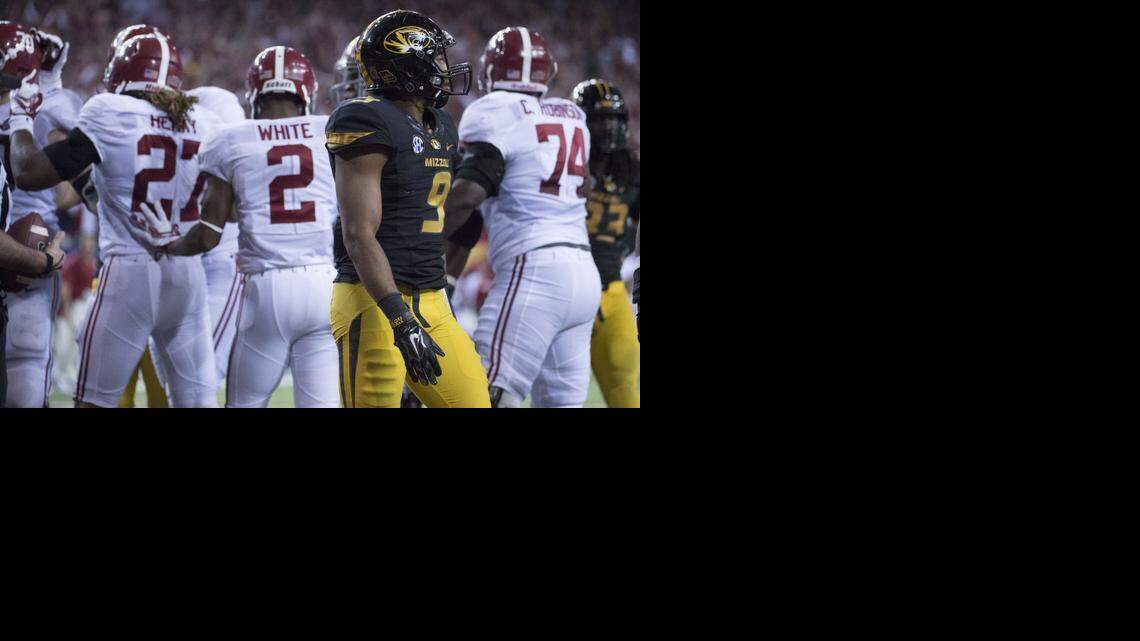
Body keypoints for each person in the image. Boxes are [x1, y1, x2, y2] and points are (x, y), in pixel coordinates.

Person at [7, 32, 219, 407]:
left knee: (92, 402)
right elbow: (94, 189)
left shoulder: (109, 110)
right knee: (198, 402)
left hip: (128, 273)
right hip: (188, 275)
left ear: (120, 70)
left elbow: (27, 172)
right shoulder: (204, 120)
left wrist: (22, 119)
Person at [152, 46, 339, 407]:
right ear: (306, 92)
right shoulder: (330, 132)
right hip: (324, 285)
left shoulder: (231, 139)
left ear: (255, 93)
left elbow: (209, 235)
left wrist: (169, 244)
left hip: (267, 288)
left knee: (243, 403)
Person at [326, 10, 489, 407]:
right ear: (406, 64)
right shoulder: (364, 118)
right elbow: (358, 234)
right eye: (434, 58)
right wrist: (400, 319)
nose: (443, 67)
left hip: (432, 298)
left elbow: (445, 218)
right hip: (375, 300)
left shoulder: (441, 124)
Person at [442, 27, 601, 408]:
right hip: (583, 272)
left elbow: (468, 194)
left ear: (491, 71)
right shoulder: (573, 114)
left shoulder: (495, 110)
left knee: (485, 395)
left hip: (535, 270)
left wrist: (423, 235)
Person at [1, 21, 82, 407]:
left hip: (17, 241)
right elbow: (71, 185)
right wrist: (52, 84)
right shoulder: (50, 107)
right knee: (27, 359)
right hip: (28, 246)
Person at [571, 79, 640, 407]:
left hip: (611, 289)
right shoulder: (563, 161)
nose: (609, 127)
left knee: (623, 388)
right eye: (600, 119)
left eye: (614, 118)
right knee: (555, 390)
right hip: (563, 288)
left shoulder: (632, 168)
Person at [0, 161, 66, 402]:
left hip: (24, 240)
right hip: (28, 250)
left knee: (26, 359)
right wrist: (43, 261)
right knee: (27, 360)